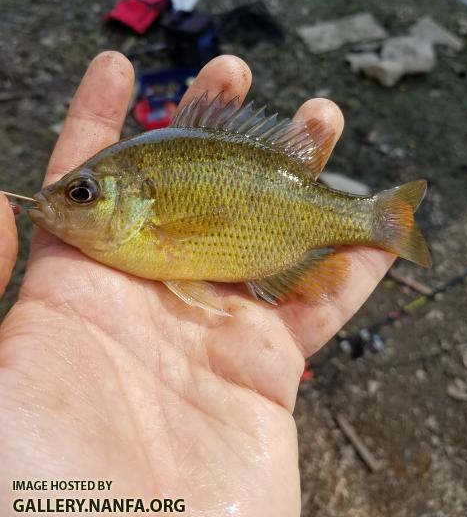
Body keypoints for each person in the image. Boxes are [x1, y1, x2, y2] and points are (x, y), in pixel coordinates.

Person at [0, 53, 394, 516]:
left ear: (142, 204)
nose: (65, 202)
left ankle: (378, 218)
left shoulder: (146, 217)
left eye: (82, 194)